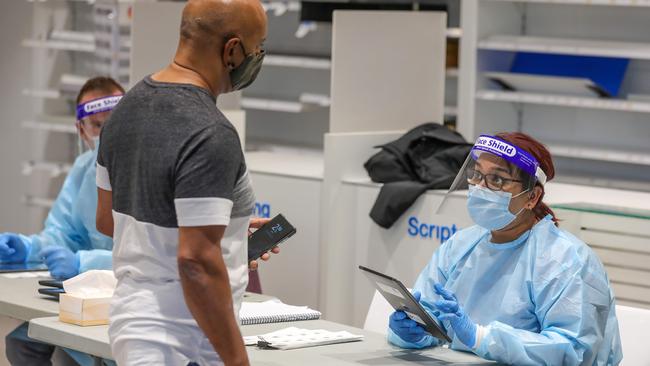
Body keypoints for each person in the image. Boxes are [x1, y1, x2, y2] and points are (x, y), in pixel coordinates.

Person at [95, 0, 267, 364]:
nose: (258, 57)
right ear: (232, 51)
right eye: (258, 48)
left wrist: (230, 233)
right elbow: (195, 262)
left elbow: (107, 220)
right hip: (189, 339)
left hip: (134, 330)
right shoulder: (211, 132)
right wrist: (237, 360)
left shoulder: (124, 111)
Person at [388, 132, 623, 365]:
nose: (480, 187)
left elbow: (571, 350)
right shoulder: (460, 246)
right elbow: (430, 316)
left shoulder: (566, 260)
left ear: (532, 196)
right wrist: (413, 332)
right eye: (477, 175)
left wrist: (480, 337)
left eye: (497, 180)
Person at [2, 76, 124, 366]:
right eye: (96, 125)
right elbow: (61, 234)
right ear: (80, 130)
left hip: (132, 301)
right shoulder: (84, 169)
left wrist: (85, 265)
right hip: (87, 299)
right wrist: (28, 248)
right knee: (21, 342)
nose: (106, 133)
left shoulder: (148, 170)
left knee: (68, 349)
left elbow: (150, 255)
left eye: (115, 122)